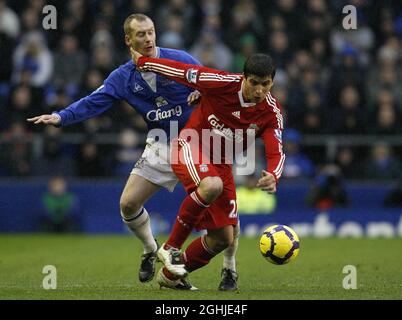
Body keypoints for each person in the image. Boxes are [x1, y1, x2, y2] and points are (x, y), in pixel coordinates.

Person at [27, 13, 239, 290]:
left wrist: (204, 93)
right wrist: (60, 117)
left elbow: (212, 82)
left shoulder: (181, 59)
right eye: (141, 34)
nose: (148, 38)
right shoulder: (123, 77)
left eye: (151, 32)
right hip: (162, 144)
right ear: (128, 40)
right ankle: (151, 249)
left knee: (226, 223)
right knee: (127, 204)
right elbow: (94, 102)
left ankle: (229, 268)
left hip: (200, 145)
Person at [131, 50, 285, 290]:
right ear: (244, 77)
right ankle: (171, 247)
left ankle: (170, 276)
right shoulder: (222, 83)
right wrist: (144, 62)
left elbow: (276, 150)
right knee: (212, 185)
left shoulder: (271, 112)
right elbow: (182, 72)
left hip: (222, 164)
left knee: (224, 238)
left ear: (272, 82)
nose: (258, 91)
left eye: (265, 85)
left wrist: (273, 174)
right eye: (254, 83)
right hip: (191, 144)